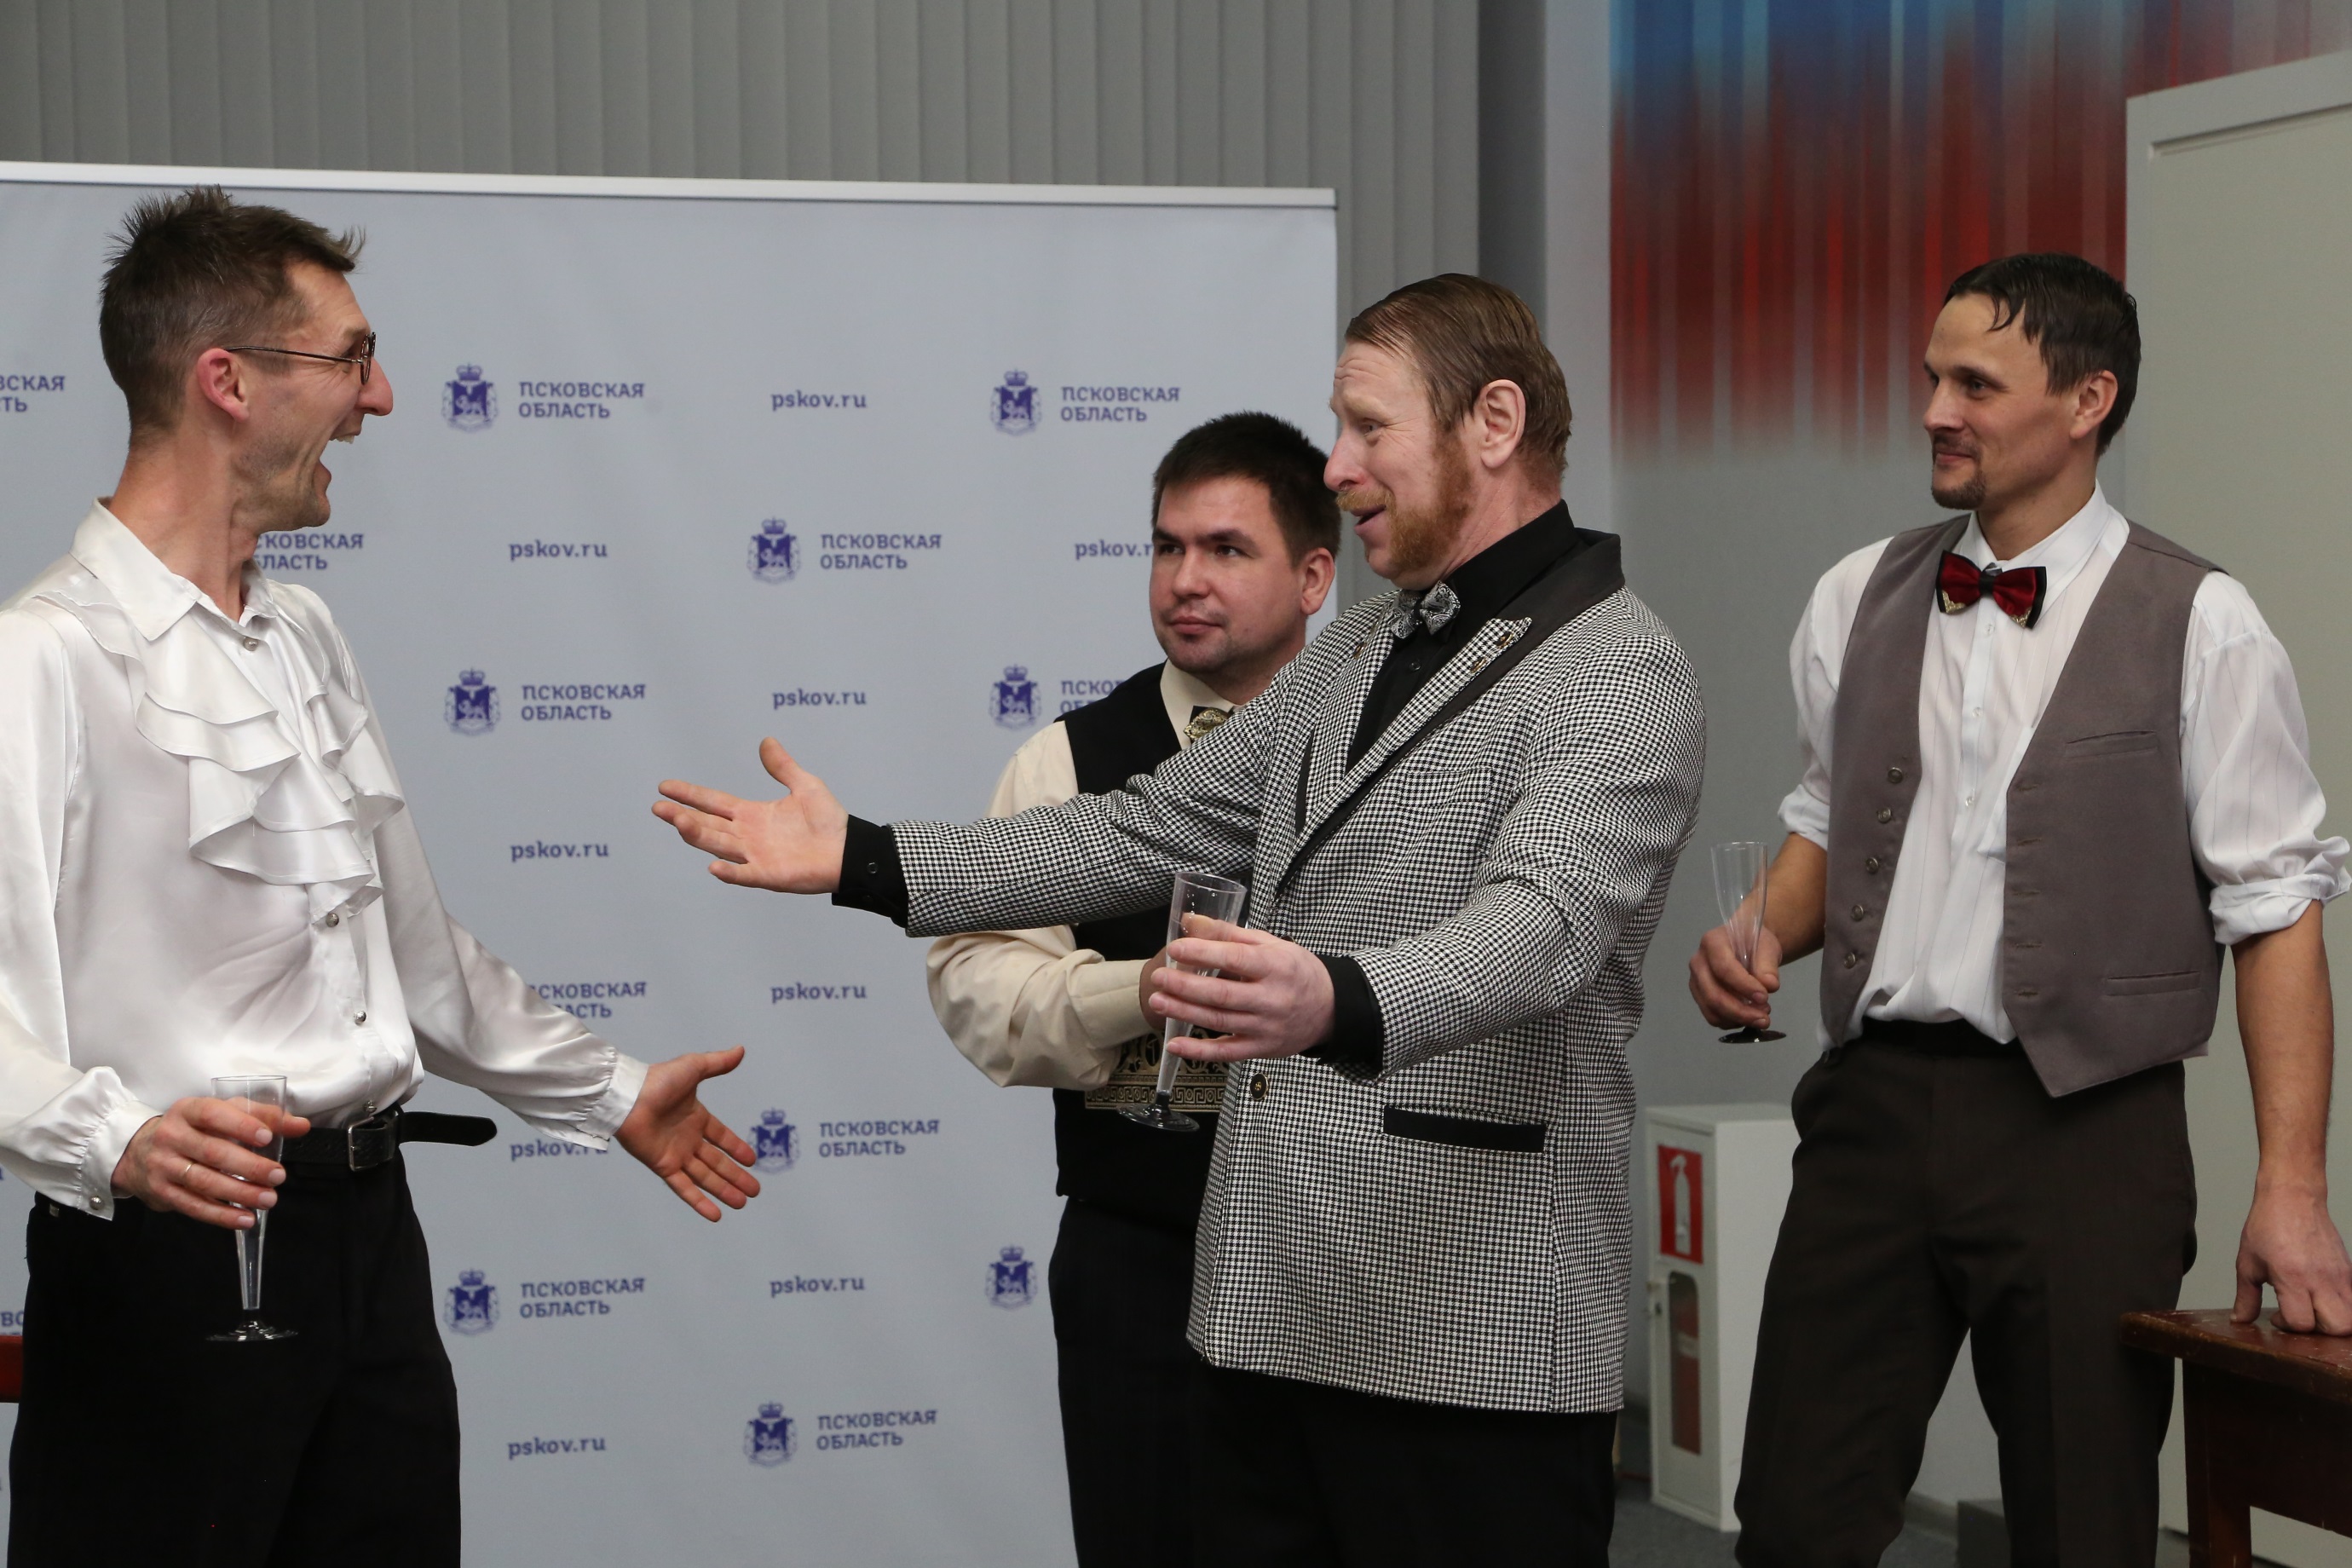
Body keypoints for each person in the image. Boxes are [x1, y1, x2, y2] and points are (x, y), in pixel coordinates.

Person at [655, 274, 1705, 1565]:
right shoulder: (1355, 651)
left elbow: (1541, 931)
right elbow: (1143, 830)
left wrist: (1334, 996)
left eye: (1369, 428)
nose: (1339, 465)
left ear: (1493, 423)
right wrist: (862, 857)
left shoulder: (1620, 667)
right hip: (1265, 1319)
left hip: (1470, 1336)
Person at [0, 187, 763, 1566]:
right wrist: (112, 1139)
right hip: (169, 1266)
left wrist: (609, 1092)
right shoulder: (40, 657)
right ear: (227, 382)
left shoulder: (305, 632)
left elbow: (409, 957)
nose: (382, 396)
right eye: (351, 357)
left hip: (368, 1247)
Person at [1687, 252, 2352, 1566]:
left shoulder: (2204, 622)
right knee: (1797, 1521)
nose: (1935, 409)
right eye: (1933, 376)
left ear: (2089, 400)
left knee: (2082, 1528)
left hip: (2087, 1133)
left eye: (1976, 384)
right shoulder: (1855, 595)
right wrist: (1758, 931)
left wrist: (2292, 1187)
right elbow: (1832, 820)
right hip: (1872, 1113)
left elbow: (2276, 910)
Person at [928, 412, 1335, 1567]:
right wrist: (1135, 991)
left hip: (1353, 1249)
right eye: (1167, 547)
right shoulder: (1067, 759)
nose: (1185, 580)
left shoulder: (1395, 758)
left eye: (1226, 549)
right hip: (1142, 1247)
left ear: (1315, 577)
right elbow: (976, 985)